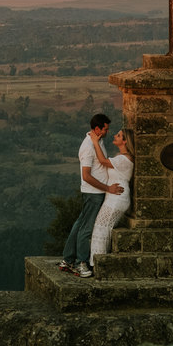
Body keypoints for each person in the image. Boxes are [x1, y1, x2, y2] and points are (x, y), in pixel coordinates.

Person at [58, 113, 122, 278]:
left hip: (95, 193)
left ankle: (67, 259)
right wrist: (108, 188)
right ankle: (81, 263)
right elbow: (86, 176)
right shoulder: (88, 146)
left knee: (80, 224)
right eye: (106, 129)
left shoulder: (97, 141)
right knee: (86, 229)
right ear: (97, 129)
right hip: (93, 194)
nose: (108, 132)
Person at [89, 127, 135, 268]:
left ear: (125, 141)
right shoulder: (121, 157)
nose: (115, 136)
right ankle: (98, 262)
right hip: (113, 197)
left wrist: (95, 142)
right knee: (102, 228)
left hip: (117, 198)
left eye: (119, 135)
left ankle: (98, 264)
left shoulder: (125, 159)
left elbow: (102, 161)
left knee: (101, 228)